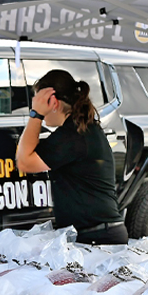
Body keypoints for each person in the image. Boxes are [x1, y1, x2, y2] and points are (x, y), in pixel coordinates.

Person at [16, 69, 128, 245]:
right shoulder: (79, 130)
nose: (37, 108)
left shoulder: (74, 135)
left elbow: (24, 162)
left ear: (53, 101)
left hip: (97, 237)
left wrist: (35, 114)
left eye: (38, 101)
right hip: (97, 234)